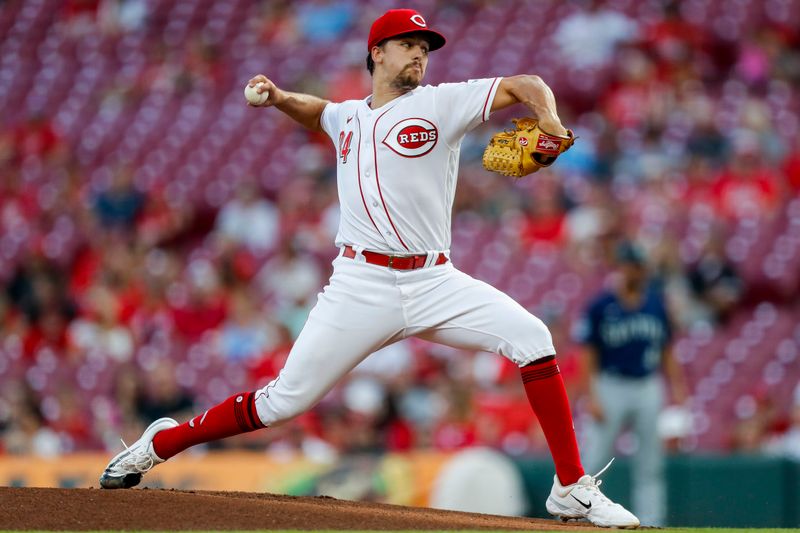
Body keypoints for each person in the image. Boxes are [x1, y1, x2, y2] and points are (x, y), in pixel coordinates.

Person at [99, 9, 639, 528]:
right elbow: (320, 113)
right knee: (283, 402)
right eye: (408, 45)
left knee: (532, 337)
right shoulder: (348, 116)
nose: (419, 56)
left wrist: (548, 118)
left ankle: (571, 488)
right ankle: (159, 443)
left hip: (434, 279)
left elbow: (525, 82)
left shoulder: (441, 104)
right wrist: (282, 98)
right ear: (376, 53)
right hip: (360, 285)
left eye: (425, 49)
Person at [577, 240, 689, 526]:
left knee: (650, 462)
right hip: (610, 384)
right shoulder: (601, 305)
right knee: (594, 460)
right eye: (631, 266)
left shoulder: (655, 302)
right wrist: (591, 396)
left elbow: (666, 349)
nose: (635, 271)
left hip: (647, 385)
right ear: (621, 268)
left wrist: (677, 385)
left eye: (638, 266)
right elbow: (588, 354)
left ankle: (652, 522)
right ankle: (580, 516)